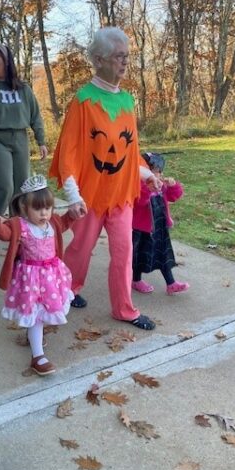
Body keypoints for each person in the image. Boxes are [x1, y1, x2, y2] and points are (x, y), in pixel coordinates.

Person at [49, 27, 161, 330]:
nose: (124, 62)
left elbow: (128, 151)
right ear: (99, 60)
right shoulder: (83, 101)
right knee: (81, 249)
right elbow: (68, 153)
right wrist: (73, 196)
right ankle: (66, 290)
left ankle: (124, 308)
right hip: (90, 196)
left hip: (121, 195)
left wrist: (147, 174)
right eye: (118, 57)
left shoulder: (126, 101)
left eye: (126, 56)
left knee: (124, 252)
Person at [0, 174, 79, 376]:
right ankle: (37, 356)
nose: (44, 213)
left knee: (43, 311)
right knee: (36, 315)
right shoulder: (21, 226)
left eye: (47, 208)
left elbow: (64, 223)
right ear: (24, 208)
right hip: (30, 280)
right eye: (37, 209)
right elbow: (6, 233)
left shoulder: (52, 223)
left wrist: (73, 213)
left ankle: (32, 337)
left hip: (52, 277)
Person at [0, 42, 48, 247]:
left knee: (21, 187)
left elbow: (35, 116)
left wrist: (41, 141)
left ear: (7, 61)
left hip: (20, 139)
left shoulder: (23, 89)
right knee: (5, 184)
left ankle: (19, 228)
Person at [132, 152, 190, 295]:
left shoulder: (161, 186)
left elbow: (174, 196)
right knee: (139, 255)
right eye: (155, 172)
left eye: (160, 172)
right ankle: (136, 280)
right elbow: (139, 203)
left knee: (163, 254)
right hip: (141, 229)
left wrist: (173, 186)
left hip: (159, 227)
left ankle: (171, 283)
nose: (158, 175)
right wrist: (148, 189)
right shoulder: (137, 186)